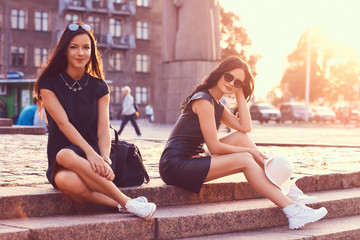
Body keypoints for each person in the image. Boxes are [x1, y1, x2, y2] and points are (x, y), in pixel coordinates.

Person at [159, 56, 327, 229]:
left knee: (241, 138)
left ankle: (288, 190)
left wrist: (240, 92)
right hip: (175, 166)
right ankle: (293, 210)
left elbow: (245, 127)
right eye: (228, 77)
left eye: (238, 82)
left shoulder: (215, 103)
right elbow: (214, 146)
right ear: (219, 74)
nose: (231, 83)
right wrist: (251, 153)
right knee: (245, 159)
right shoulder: (203, 101)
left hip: (190, 160)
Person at [34, 22, 156, 218]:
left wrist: (105, 159)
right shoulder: (48, 84)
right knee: (65, 168)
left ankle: (126, 204)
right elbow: (63, 124)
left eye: (86, 47)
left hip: (97, 160)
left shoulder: (99, 87)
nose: (80, 52)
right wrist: (90, 153)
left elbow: (103, 130)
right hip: (68, 156)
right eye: (74, 47)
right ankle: (126, 203)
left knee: (68, 165)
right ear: (64, 51)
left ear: (92, 51)